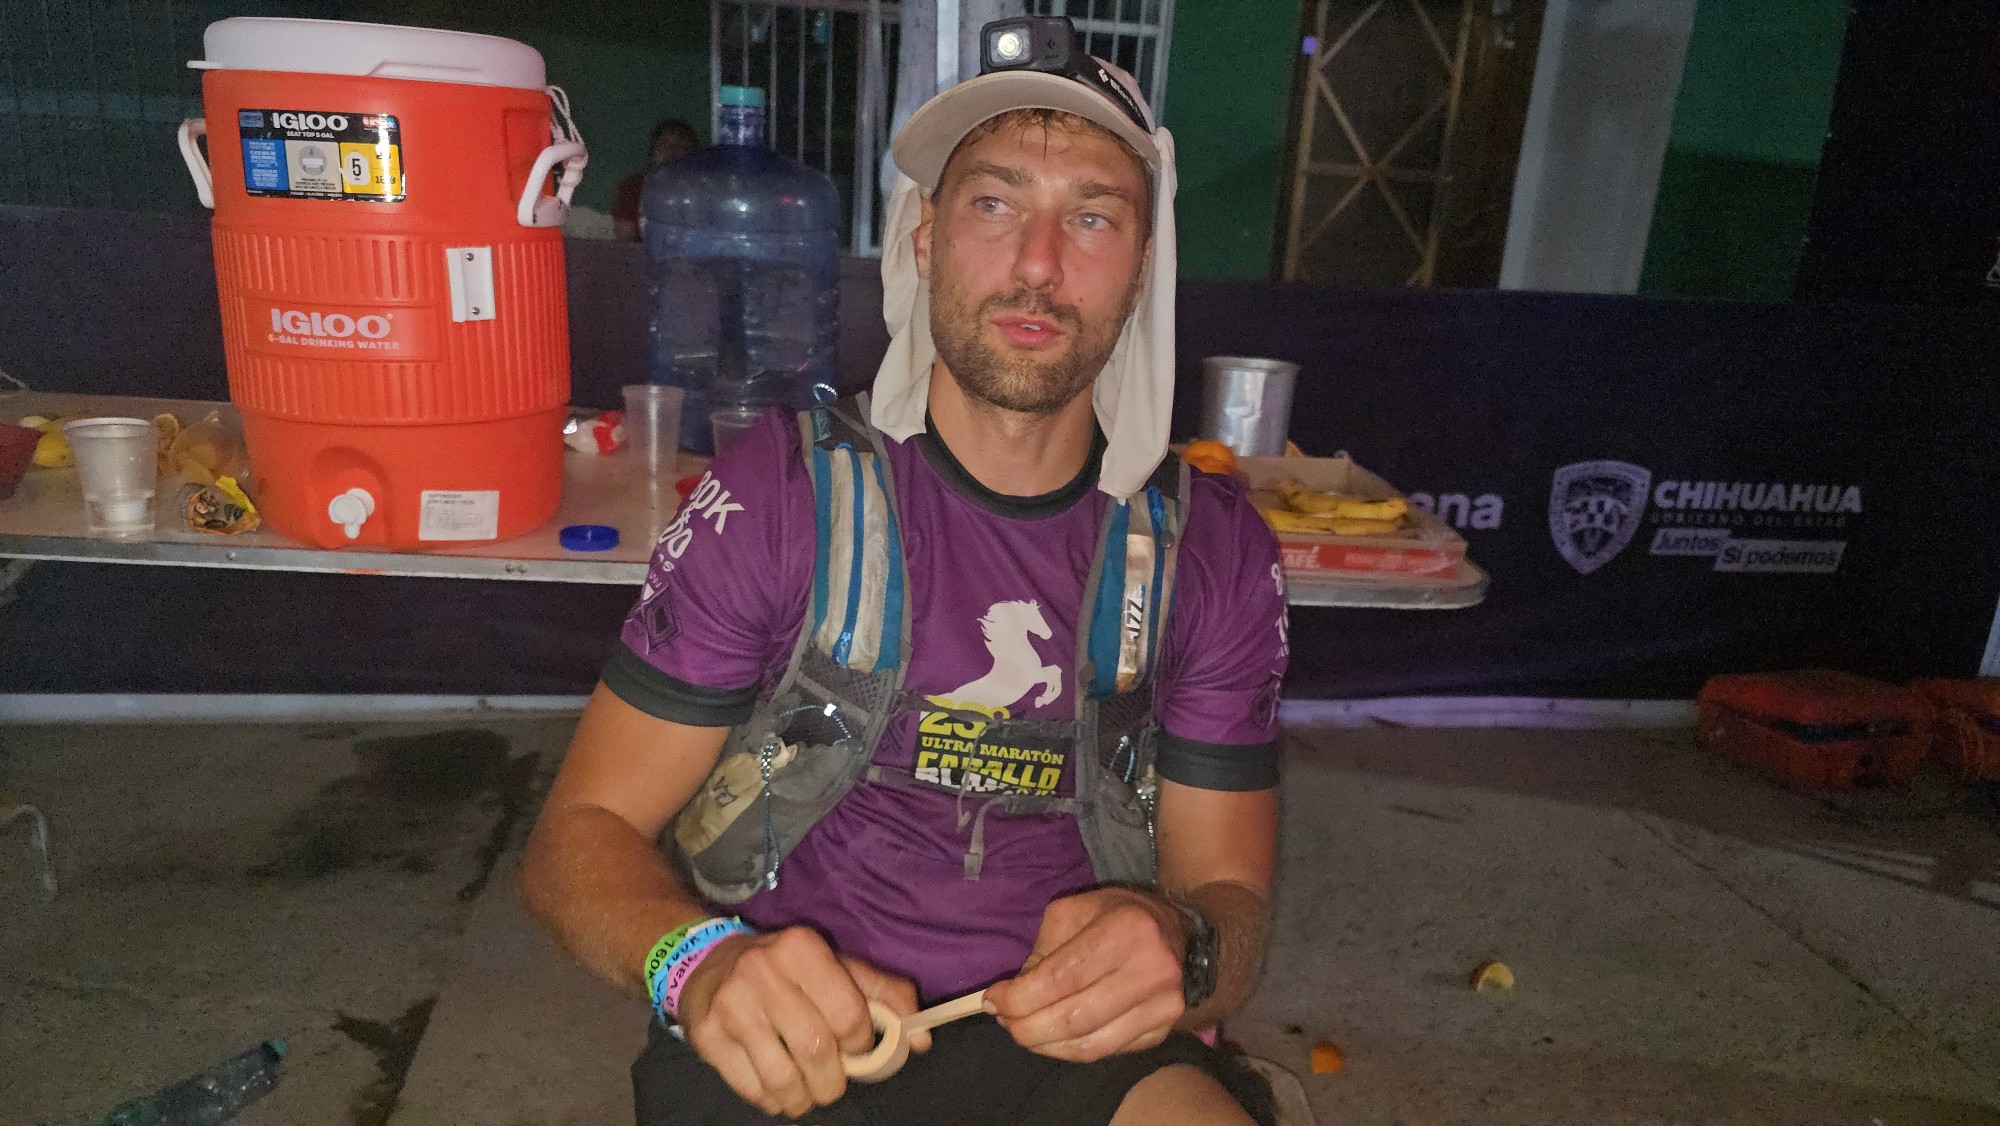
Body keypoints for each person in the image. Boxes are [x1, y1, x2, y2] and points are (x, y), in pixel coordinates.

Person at [520, 17, 1289, 1125]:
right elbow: (575, 837)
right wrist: (701, 964)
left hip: (1084, 1054)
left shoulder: (1211, 547)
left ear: (1141, 269)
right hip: (790, 1033)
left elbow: (1232, 906)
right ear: (924, 241)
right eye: (994, 203)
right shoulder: (782, 495)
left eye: (1092, 216)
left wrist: (1185, 943)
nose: (1037, 263)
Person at [613, 118, 698, 241]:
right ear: (653, 151)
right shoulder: (634, 187)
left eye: (682, 146)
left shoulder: (701, 190)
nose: (672, 151)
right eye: (664, 145)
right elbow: (626, 239)